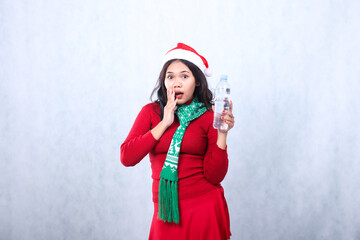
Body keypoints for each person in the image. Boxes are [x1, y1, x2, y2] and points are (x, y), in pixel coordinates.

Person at [120, 43, 235, 240]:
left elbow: (215, 176)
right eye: (170, 77)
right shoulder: (151, 113)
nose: (176, 83)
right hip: (166, 210)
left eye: (184, 76)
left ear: (197, 81)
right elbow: (127, 157)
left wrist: (222, 134)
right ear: (164, 82)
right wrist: (165, 123)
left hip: (203, 207)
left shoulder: (208, 117)